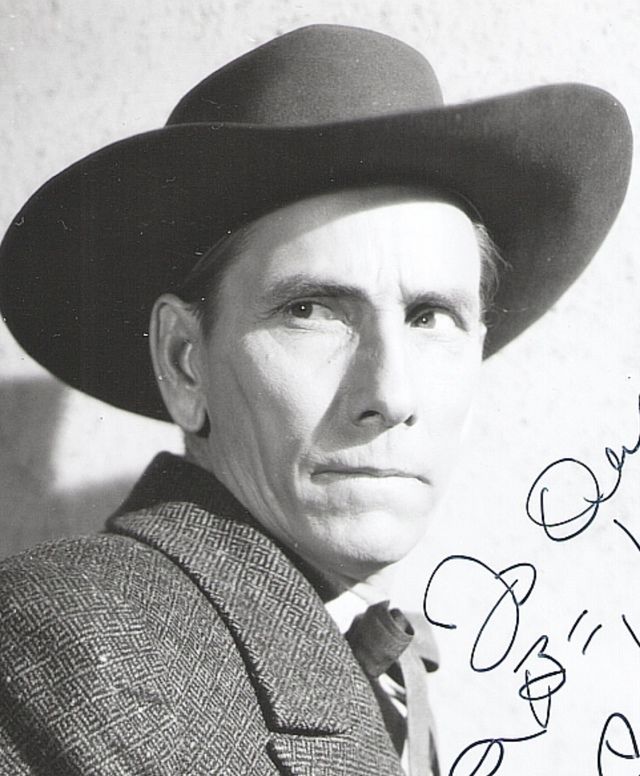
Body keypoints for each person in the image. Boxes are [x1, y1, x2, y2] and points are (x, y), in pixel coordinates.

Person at [0, 23, 631, 776]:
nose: (391, 395)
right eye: (312, 311)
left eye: (431, 317)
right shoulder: (76, 642)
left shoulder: (352, 652)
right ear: (184, 361)